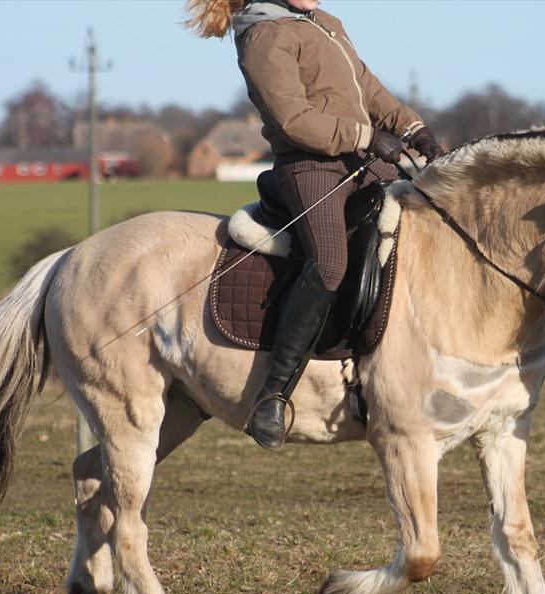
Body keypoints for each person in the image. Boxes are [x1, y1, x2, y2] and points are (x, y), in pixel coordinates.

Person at [186, 0, 444, 449]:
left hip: (362, 161)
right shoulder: (264, 37)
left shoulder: (325, 23)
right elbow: (294, 120)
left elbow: (368, 88)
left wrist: (410, 128)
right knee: (329, 263)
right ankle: (273, 395)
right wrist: (365, 137)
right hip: (310, 168)